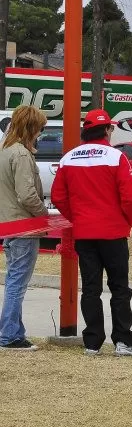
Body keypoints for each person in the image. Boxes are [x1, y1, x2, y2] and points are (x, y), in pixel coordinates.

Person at [51, 109, 132, 357]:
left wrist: (78, 218)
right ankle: (123, 341)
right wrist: (127, 222)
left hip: (84, 233)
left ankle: (92, 343)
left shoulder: (69, 158)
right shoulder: (116, 157)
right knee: (119, 288)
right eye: (111, 128)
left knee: (91, 288)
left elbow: (58, 196)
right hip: (113, 233)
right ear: (106, 130)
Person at [0, 105, 48, 351]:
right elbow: (27, 195)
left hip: (9, 225)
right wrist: (44, 214)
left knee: (14, 280)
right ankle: (9, 335)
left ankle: (14, 333)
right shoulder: (20, 154)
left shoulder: (5, 149)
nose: (41, 132)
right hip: (24, 226)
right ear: (31, 127)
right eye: (40, 127)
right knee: (17, 283)